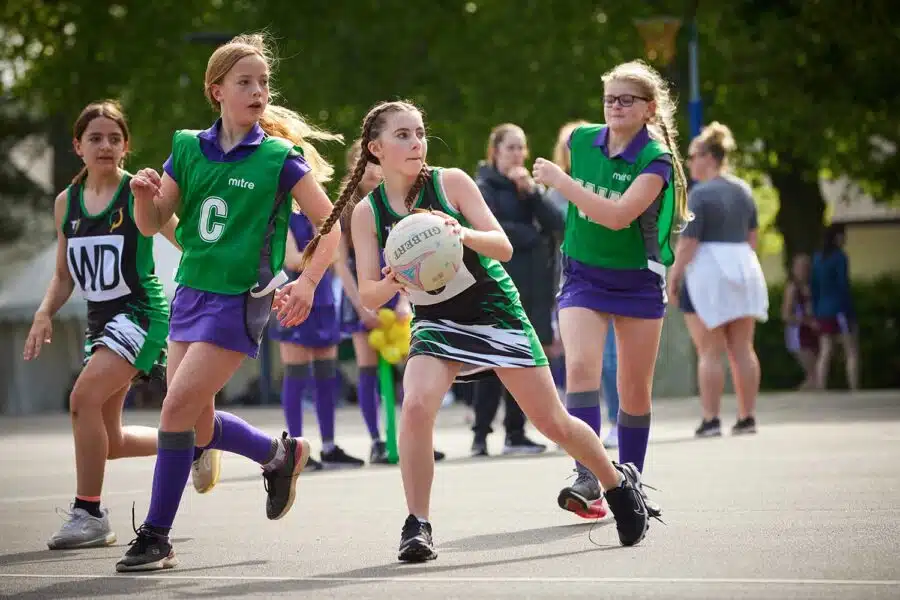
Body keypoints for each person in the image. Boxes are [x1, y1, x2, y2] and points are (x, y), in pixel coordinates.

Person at [300, 100, 653, 563]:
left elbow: (502, 247)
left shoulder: (452, 183)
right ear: (375, 148)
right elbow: (367, 292)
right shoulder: (368, 213)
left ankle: (617, 483)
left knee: (551, 422)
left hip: (493, 307)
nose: (416, 143)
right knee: (416, 405)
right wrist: (390, 280)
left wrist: (459, 234)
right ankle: (418, 523)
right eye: (403, 135)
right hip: (435, 318)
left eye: (420, 133)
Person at [115, 33, 342, 572]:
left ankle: (156, 536)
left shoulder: (279, 158)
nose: (258, 90)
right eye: (245, 82)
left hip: (240, 300)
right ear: (216, 90)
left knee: (174, 409)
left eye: (264, 82)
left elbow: (329, 228)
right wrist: (144, 197)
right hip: (191, 292)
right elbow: (152, 225)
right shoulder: (187, 147)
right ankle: (278, 455)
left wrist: (307, 282)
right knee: (193, 422)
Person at [23, 100, 211, 551]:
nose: (105, 145)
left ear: (125, 147)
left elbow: (188, 241)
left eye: (114, 138)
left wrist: (211, 296)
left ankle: (88, 513)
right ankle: (196, 445)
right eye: (95, 138)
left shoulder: (139, 191)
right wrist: (44, 311)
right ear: (78, 146)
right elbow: (65, 275)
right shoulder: (66, 203)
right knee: (110, 441)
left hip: (141, 311)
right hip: (100, 320)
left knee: (81, 398)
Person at [531, 60, 689, 520]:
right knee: (580, 367)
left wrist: (560, 182)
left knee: (633, 389)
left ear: (648, 108)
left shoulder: (656, 158)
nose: (615, 107)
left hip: (637, 280)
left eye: (626, 100)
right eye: (609, 99)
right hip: (583, 274)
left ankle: (630, 482)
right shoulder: (581, 141)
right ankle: (586, 475)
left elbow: (619, 216)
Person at [667, 121, 768, 437]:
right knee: (743, 348)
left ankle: (711, 419)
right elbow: (753, 237)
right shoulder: (743, 190)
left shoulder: (699, 195)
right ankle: (747, 416)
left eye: (693, 155)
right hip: (744, 266)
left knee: (709, 351)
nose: (689, 162)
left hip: (709, 270)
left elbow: (689, 243)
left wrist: (674, 276)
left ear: (709, 157)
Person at [469, 123, 562, 457]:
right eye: (511, 147)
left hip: (535, 288)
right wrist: (531, 236)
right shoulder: (483, 186)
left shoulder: (527, 190)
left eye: (522, 147)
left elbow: (558, 224)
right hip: (497, 286)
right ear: (495, 151)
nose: (518, 154)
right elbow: (488, 228)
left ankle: (516, 432)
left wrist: (533, 194)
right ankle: (480, 434)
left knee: (523, 360)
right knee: (492, 363)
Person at [271, 211, 366, 469]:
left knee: (327, 378)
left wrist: (319, 258)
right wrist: (324, 257)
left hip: (323, 301)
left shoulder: (322, 214)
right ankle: (295, 450)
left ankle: (329, 446)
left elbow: (338, 256)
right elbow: (291, 260)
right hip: (293, 298)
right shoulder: (282, 215)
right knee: (296, 376)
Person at [549, 120, 620, 452]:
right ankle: (581, 433)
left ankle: (618, 419)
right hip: (571, 279)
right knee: (579, 361)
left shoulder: (604, 181)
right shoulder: (553, 192)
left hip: (609, 275)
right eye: (567, 146)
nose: (571, 151)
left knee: (610, 358)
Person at [811, 224, 859, 391]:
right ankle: (854, 387)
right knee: (851, 350)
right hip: (839, 310)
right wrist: (850, 311)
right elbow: (843, 286)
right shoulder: (840, 258)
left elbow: (814, 287)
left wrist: (816, 312)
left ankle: (821, 387)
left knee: (826, 351)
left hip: (823, 311)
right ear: (837, 237)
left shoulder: (817, 258)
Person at [782, 253, 819, 390]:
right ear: (794, 269)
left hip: (813, 333)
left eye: (806, 267)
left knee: (814, 375)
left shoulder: (812, 287)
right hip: (797, 335)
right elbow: (786, 315)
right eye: (800, 267)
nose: (804, 271)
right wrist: (807, 322)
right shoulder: (792, 288)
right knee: (814, 374)